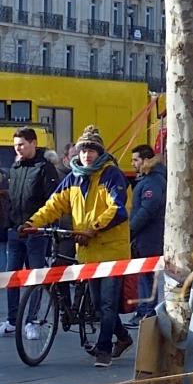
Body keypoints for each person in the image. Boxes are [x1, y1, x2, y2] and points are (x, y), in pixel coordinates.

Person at [20, 127, 131, 366]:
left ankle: (103, 350)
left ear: (99, 152)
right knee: (100, 305)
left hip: (112, 251)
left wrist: (94, 228)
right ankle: (123, 337)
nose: (86, 155)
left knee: (107, 303)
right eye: (83, 150)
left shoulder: (112, 175)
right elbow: (54, 205)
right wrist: (32, 222)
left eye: (91, 150)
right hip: (88, 250)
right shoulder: (73, 177)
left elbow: (118, 209)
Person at [3, 128, 60, 339]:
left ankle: (32, 321)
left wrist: (43, 225)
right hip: (15, 231)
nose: (17, 148)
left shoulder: (44, 168)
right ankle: (11, 321)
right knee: (12, 277)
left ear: (33, 143)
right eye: (15, 144)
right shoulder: (15, 168)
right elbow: (11, 199)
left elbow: (53, 202)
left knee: (35, 277)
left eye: (21, 144)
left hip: (36, 232)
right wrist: (9, 224)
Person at [126, 144, 167, 322]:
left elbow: (147, 209)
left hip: (150, 237)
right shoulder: (151, 178)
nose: (133, 164)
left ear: (146, 160)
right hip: (147, 237)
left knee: (147, 276)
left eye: (136, 160)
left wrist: (131, 229)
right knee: (146, 276)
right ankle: (145, 310)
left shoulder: (153, 181)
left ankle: (146, 312)